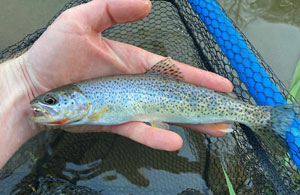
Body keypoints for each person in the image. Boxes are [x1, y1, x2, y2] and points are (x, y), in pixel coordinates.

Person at [0, 0, 233, 168]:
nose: (45, 105)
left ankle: (256, 117)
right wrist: (23, 80)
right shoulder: (85, 104)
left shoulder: (91, 105)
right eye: (50, 101)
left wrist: (21, 80)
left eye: (51, 101)